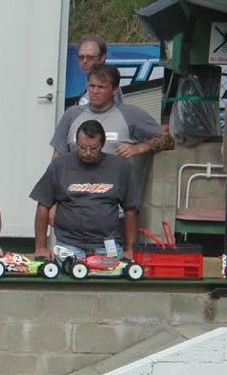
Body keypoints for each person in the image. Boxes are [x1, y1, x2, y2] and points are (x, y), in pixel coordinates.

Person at [32, 120, 140, 261]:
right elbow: (43, 204)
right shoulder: (60, 165)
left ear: (102, 144)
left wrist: (130, 249)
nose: (87, 153)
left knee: (109, 271)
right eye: (82, 147)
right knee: (72, 269)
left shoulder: (119, 167)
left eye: (93, 148)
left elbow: (130, 208)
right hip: (69, 244)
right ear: (77, 143)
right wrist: (40, 247)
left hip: (107, 244)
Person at [52, 63, 174, 161]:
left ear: (115, 90)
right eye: (92, 86)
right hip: (76, 182)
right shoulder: (72, 114)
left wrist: (141, 147)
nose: (95, 91)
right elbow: (57, 156)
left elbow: (168, 140)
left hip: (116, 183)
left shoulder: (131, 114)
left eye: (101, 87)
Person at [66, 35, 124, 108]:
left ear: (102, 58)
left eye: (90, 57)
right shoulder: (90, 83)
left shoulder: (108, 85)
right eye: (81, 57)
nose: (84, 61)